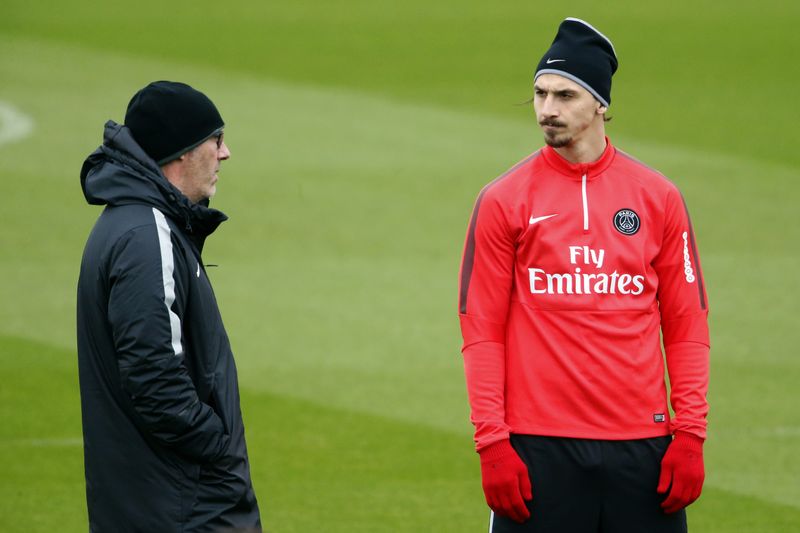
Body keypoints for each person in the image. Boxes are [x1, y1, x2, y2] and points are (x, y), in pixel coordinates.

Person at [457, 18, 709, 532]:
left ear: (600, 104)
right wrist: (492, 443)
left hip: (643, 451)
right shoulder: (503, 199)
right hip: (537, 450)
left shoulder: (658, 198)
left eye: (565, 95)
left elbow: (687, 326)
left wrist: (690, 435)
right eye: (539, 93)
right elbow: (480, 329)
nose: (548, 110)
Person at [77, 81, 261, 532]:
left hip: (162, 500)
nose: (225, 153)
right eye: (215, 140)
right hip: (181, 507)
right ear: (180, 151)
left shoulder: (137, 223)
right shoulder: (146, 236)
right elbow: (155, 380)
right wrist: (216, 449)